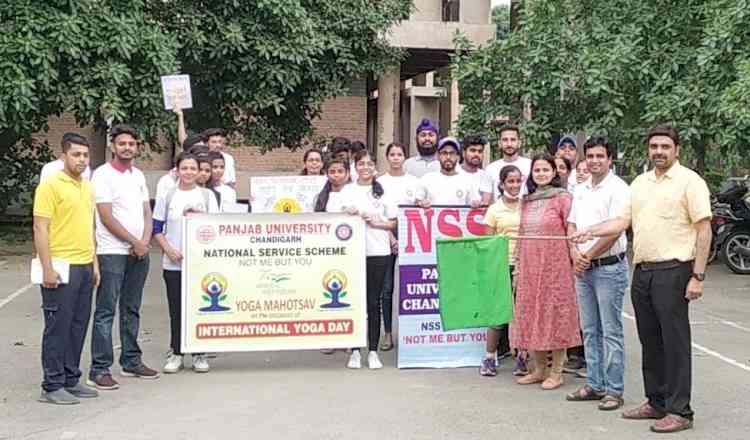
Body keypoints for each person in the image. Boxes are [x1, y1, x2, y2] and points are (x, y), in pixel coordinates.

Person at [571, 125, 712, 433]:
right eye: (654, 147)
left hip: (675, 270)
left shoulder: (690, 182)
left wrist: (698, 276)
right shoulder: (639, 183)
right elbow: (623, 221)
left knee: (674, 343)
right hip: (643, 271)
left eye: (665, 146)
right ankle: (656, 402)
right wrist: (590, 230)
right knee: (650, 340)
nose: (658, 151)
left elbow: (704, 230)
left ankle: (680, 411)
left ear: (676, 150)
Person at [87, 125, 158, 391]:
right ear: (112, 146)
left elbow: (146, 212)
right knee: (106, 311)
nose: (127, 147)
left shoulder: (138, 175)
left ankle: (131, 360)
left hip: (138, 252)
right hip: (112, 252)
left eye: (132, 143)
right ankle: (99, 368)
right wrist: (134, 242)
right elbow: (105, 216)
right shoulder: (102, 175)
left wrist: (144, 242)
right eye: (122, 143)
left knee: (131, 308)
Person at [33, 133, 100, 404]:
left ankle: (71, 378)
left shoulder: (87, 187)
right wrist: (47, 267)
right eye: (76, 154)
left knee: (77, 326)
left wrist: (94, 263)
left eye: (85, 155)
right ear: (63, 156)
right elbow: (40, 227)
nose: (81, 159)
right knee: (57, 327)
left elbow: (90, 227)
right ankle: (51, 385)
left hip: (84, 265)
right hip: (60, 267)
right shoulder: (50, 185)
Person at [565, 136, 630, 411]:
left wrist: (588, 255)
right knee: (590, 330)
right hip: (583, 269)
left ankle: (614, 390)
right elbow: (572, 225)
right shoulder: (580, 189)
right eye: (590, 156)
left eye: (599, 156)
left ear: (610, 159)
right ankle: (594, 383)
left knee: (611, 331)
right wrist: (575, 256)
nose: (594, 161)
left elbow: (616, 229)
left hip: (609, 268)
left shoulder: (619, 188)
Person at [513, 153, 581, 390]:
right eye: (537, 170)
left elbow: (572, 230)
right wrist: (518, 265)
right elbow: (522, 232)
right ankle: (539, 369)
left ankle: (557, 371)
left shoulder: (562, 199)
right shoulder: (528, 200)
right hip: (531, 266)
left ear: (554, 173)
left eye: (545, 170)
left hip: (555, 266)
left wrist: (575, 258)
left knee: (555, 314)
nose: (541, 174)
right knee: (531, 312)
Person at [152, 153, 219, 374]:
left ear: (199, 171)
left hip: (200, 265)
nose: (189, 172)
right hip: (174, 263)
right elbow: (157, 228)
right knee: (176, 308)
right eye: (185, 168)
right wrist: (169, 250)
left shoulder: (207, 196)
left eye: (193, 168)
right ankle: (177, 352)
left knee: (199, 308)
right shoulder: (167, 195)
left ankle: (199, 352)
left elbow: (216, 228)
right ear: (177, 170)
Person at [340, 150, 397, 370]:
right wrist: (348, 211)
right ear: (355, 167)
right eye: (361, 164)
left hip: (378, 251)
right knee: (355, 303)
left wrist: (376, 222)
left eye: (370, 164)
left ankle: (372, 351)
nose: (365, 168)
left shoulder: (383, 192)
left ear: (375, 167)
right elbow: (336, 218)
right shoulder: (348, 190)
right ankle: (355, 350)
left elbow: (393, 223)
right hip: (353, 252)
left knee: (374, 303)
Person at [479, 165, 522, 377]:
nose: (514, 186)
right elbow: (488, 243)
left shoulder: (527, 206)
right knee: (497, 315)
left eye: (517, 181)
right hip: (501, 265)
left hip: (525, 264)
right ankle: (489, 358)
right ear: (502, 184)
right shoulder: (494, 210)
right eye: (510, 182)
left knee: (522, 314)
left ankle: (522, 357)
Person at [377, 142, 420, 350]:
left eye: (399, 154)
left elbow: (420, 209)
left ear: (404, 157)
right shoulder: (379, 182)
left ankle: (413, 333)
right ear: (387, 157)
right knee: (386, 287)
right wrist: (390, 237)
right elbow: (376, 212)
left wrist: (405, 237)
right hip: (384, 232)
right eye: (392, 154)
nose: (395, 158)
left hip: (410, 232)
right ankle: (387, 333)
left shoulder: (414, 181)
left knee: (413, 284)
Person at [416, 137, 481, 208]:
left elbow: (476, 204)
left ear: (458, 157)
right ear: (438, 156)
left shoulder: (467, 180)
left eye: (452, 153)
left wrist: (476, 204)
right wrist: (421, 203)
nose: (448, 157)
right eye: (444, 153)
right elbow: (417, 202)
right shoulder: (427, 179)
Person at [486, 124, 532, 200]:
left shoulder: (530, 165)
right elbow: (488, 199)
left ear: (519, 143)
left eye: (513, 140)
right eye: (505, 140)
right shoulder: (490, 169)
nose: (509, 144)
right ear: (499, 143)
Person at [457, 135, 493, 205]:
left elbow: (485, 202)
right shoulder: (453, 173)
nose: (476, 154)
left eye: (480, 151)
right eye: (472, 150)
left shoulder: (485, 176)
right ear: (464, 153)